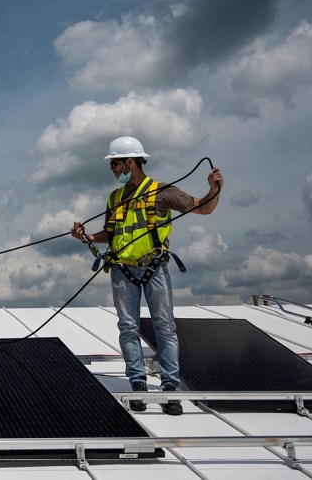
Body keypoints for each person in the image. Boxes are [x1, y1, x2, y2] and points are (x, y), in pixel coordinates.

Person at [70, 136, 222, 416]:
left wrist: (214, 188)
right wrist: (88, 236)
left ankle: (170, 388)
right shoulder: (114, 198)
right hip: (121, 269)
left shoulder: (162, 191)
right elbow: (112, 232)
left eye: (115, 163)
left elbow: (203, 207)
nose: (112, 169)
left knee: (165, 327)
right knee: (127, 327)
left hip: (154, 268)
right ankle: (137, 385)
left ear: (131, 162)